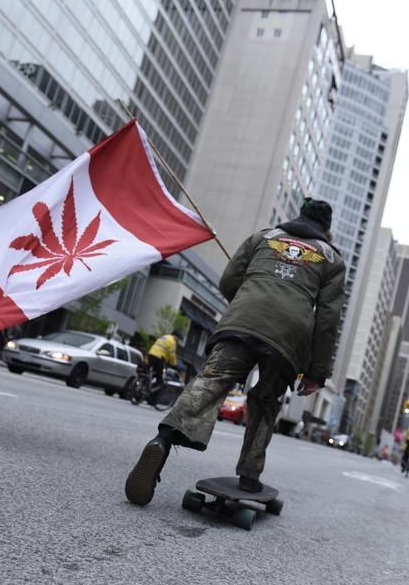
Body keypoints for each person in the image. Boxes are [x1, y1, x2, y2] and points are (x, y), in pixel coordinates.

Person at [125, 198, 346, 505]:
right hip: (288, 337)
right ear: (327, 228)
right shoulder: (331, 258)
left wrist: (245, 306)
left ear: (300, 216)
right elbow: (327, 319)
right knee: (266, 401)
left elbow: (229, 281)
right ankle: (250, 475)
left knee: (210, 382)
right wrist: (316, 372)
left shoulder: (262, 237)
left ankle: (163, 440)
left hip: (242, 321)